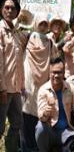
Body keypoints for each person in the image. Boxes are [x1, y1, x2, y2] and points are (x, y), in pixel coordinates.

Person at [22, 15, 57, 151]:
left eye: (45, 24)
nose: (42, 27)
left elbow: (55, 58)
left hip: (43, 82)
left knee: (40, 113)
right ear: (36, 24)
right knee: (26, 114)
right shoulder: (28, 37)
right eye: (40, 24)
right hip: (28, 79)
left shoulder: (49, 41)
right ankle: (26, 147)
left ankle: (37, 146)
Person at [35, 57, 74, 152]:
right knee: (40, 127)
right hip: (50, 131)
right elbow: (41, 117)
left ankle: (62, 148)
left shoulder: (70, 88)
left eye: (59, 72)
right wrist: (46, 111)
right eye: (53, 72)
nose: (56, 75)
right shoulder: (43, 90)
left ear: (64, 73)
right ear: (49, 73)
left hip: (66, 131)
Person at [0, 0, 28, 151]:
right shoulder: (0, 30)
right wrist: (2, 88)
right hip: (4, 89)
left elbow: (20, 61)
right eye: (6, 7)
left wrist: (22, 85)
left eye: (13, 8)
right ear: (2, 10)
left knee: (17, 123)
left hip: (16, 89)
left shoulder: (17, 33)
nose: (10, 10)